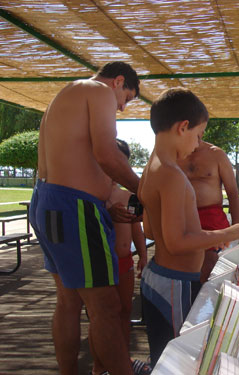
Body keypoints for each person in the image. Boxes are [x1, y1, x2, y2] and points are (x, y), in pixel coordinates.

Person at [29, 61, 140, 375]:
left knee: (68, 302)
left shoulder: (66, 94)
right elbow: (107, 154)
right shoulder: (98, 91)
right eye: (127, 99)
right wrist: (144, 190)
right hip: (72, 206)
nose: (121, 106)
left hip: (46, 201)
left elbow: (79, 158)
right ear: (118, 81)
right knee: (106, 306)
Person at [138, 88, 239, 367]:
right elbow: (177, 242)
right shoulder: (171, 176)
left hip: (160, 276)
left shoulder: (151, 167)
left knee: (162, 355)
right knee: (179, 361)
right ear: (183, 127)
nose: (198, 142)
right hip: (174, 283)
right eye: (197, 133)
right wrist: (231, 232)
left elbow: (151, 232)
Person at [90, 139, 151, 375]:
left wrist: (143, 257)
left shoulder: (126, 195)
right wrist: (106, 212)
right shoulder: (93, 194)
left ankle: (122, 362)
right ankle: (99, 368)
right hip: (100, 264)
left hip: (125, 263)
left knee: (125, 312)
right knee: (101, 317)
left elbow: (136, 227)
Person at [178, 140, 239, 283]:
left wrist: (236, 231)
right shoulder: (172, 155)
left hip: (213, 223)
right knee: (185, 275)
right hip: (182, 223)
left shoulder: (216, 154)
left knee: (209, 273)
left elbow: (232, 192)